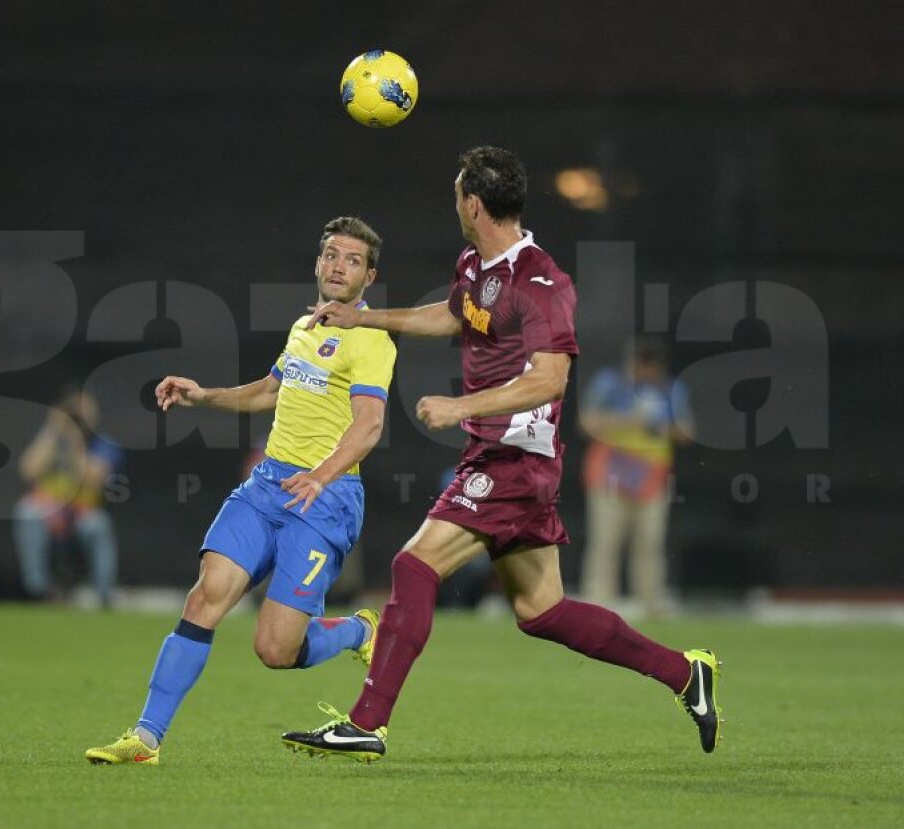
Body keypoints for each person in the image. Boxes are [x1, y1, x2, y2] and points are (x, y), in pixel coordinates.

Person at [281, 147, 721, 762]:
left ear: (473, 204)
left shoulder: (540, 282)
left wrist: (459, 407)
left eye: (456, 194)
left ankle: (367, 723)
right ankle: (684, 672)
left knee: (414, 566)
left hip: (515, 460)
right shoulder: (475, 264)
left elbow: (551, 379)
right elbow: (452, 316)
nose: (454, 204)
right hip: (500, 456)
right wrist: (364, 319)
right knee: (543, 611)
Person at [84, 216, 397, 766]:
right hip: (267, 486)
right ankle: (146, 738)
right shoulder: (304, 327)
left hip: (323, 499)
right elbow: (269, 392)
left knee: (275, 649)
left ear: (369, 276)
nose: (338, 266)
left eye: (352, 260)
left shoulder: (371, 339)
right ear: (317, 262)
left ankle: (357, 630)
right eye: (331, 254)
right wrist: (203, 395)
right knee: (205, 596)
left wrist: (320, 475)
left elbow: (369, 425)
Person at [579, 337, 694, 616]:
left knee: (650, 543)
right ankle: (597, 603)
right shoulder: (609, 383)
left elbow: (687, 432)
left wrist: (658, 427)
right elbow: (586, 422)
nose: (644, 373)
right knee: (605, 542)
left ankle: (651, 603)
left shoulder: (670, 389)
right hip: (610, 476)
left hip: (651, 479)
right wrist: (627, 421)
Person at [13, 387, 124, 608]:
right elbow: (28, 470)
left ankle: (104, 596)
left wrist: (76, 443)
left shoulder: (105, 445)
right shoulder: (51, 441)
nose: (77, 420)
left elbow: (94, 479)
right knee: (26, 512)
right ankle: (40, 592)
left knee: (98, 525)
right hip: (49, 512)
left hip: (83, 513)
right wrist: (52, 428)